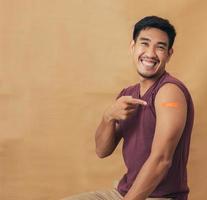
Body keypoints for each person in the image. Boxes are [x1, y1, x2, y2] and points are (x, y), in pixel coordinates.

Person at [63, 16, 194, 200]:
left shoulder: (169, 92)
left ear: (169, 54)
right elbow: (102, 150)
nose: (150, 53)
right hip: (123, 193)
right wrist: (108, 116)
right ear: (133, 47)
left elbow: (162, 160)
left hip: (160, 197)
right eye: (145, 44)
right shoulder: (128, 94)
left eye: (160, 47)